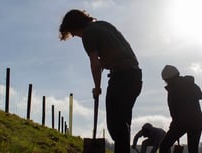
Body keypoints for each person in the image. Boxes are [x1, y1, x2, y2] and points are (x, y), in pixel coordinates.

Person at [59, 9, 142, 153]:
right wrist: (104, 64)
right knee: (123, 123)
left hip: (121, 78)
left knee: (115, 125)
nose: (73, 35)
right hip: (135, 76)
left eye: (71, 31)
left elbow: (95, 64)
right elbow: (115, 53)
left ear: (74, 25)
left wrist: (97, 88)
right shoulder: (103, 25)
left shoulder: (88, 34)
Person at [159, 65, 202, 153]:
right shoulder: (189, 83)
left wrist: (174, 126)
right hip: (196, 121)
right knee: (193, 150)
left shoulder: (173, 90)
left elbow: (174, 111)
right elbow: (200, 96)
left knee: (163, 147)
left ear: (167, 79)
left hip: (181, 123)